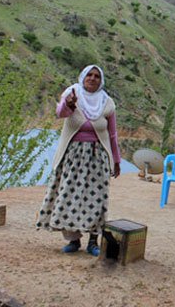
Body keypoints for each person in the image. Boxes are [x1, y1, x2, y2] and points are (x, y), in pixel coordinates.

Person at [36, 64, 121, 256]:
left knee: (96, 199)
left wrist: (116, 160)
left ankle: (93, 241)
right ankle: (73, 240)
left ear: (101, 81)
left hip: (97, 157)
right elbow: (60, 113)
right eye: (89, 75)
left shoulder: (107, 103)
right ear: (82, 77)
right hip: (73, 156)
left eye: (96, 76)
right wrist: (69, 104)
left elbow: (112, 134)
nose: (92, 79)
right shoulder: (72, 93)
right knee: (68, 196)